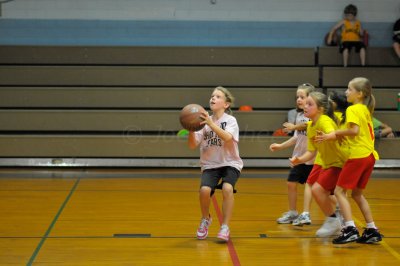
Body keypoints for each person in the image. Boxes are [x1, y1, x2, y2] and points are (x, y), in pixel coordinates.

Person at [316, 77, 383, 244]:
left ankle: (350, 228)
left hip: (358, 156)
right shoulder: (365, 109)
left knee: (339, 192)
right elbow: (358, 133)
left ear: (359, 94)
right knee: (357, 194)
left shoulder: (353, 109)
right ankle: (372, 229)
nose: (346, 92)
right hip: (369, 156)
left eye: (349, 89)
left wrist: (336, 134)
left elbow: (354, 130)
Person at [188, 86, 243, 242]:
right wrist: (191, 130)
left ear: (226, 104)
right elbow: (192, 145)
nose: (213, 98)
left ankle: (225, 226)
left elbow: (227, 137)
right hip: (210, 164)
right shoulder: (202, 122)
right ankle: (206, 218)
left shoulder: (230, 120)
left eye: (218, 96)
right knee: (204, 191)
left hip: (230, 162)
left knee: (227, 188)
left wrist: (211, 124)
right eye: (212, 96)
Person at [290, 91, 348, 237]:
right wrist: (299, 159)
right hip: (328, 163)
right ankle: (339, 221)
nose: (306, 106)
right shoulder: (310, 127)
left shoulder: (325, 121)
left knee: (317, 189)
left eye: (310, 104)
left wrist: (328, 136)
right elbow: (311, 152)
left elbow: (334, 134)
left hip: (340, 162)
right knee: (324, 192)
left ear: (321, 109)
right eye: (306, 104)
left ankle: (334, 221)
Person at [269, 83, 315, 225]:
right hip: (298, 158)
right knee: (291, 183)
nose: (299, 100)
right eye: (297, 97)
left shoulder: (314, 115)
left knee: (320, 189)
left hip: (312, 159)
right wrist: (280, 146)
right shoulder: (299, 115)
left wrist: (294, 126)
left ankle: (310, 214)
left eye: (302, 97)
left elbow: (306, 126)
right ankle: (294, 212)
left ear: (311, 98)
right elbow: (296, 137)